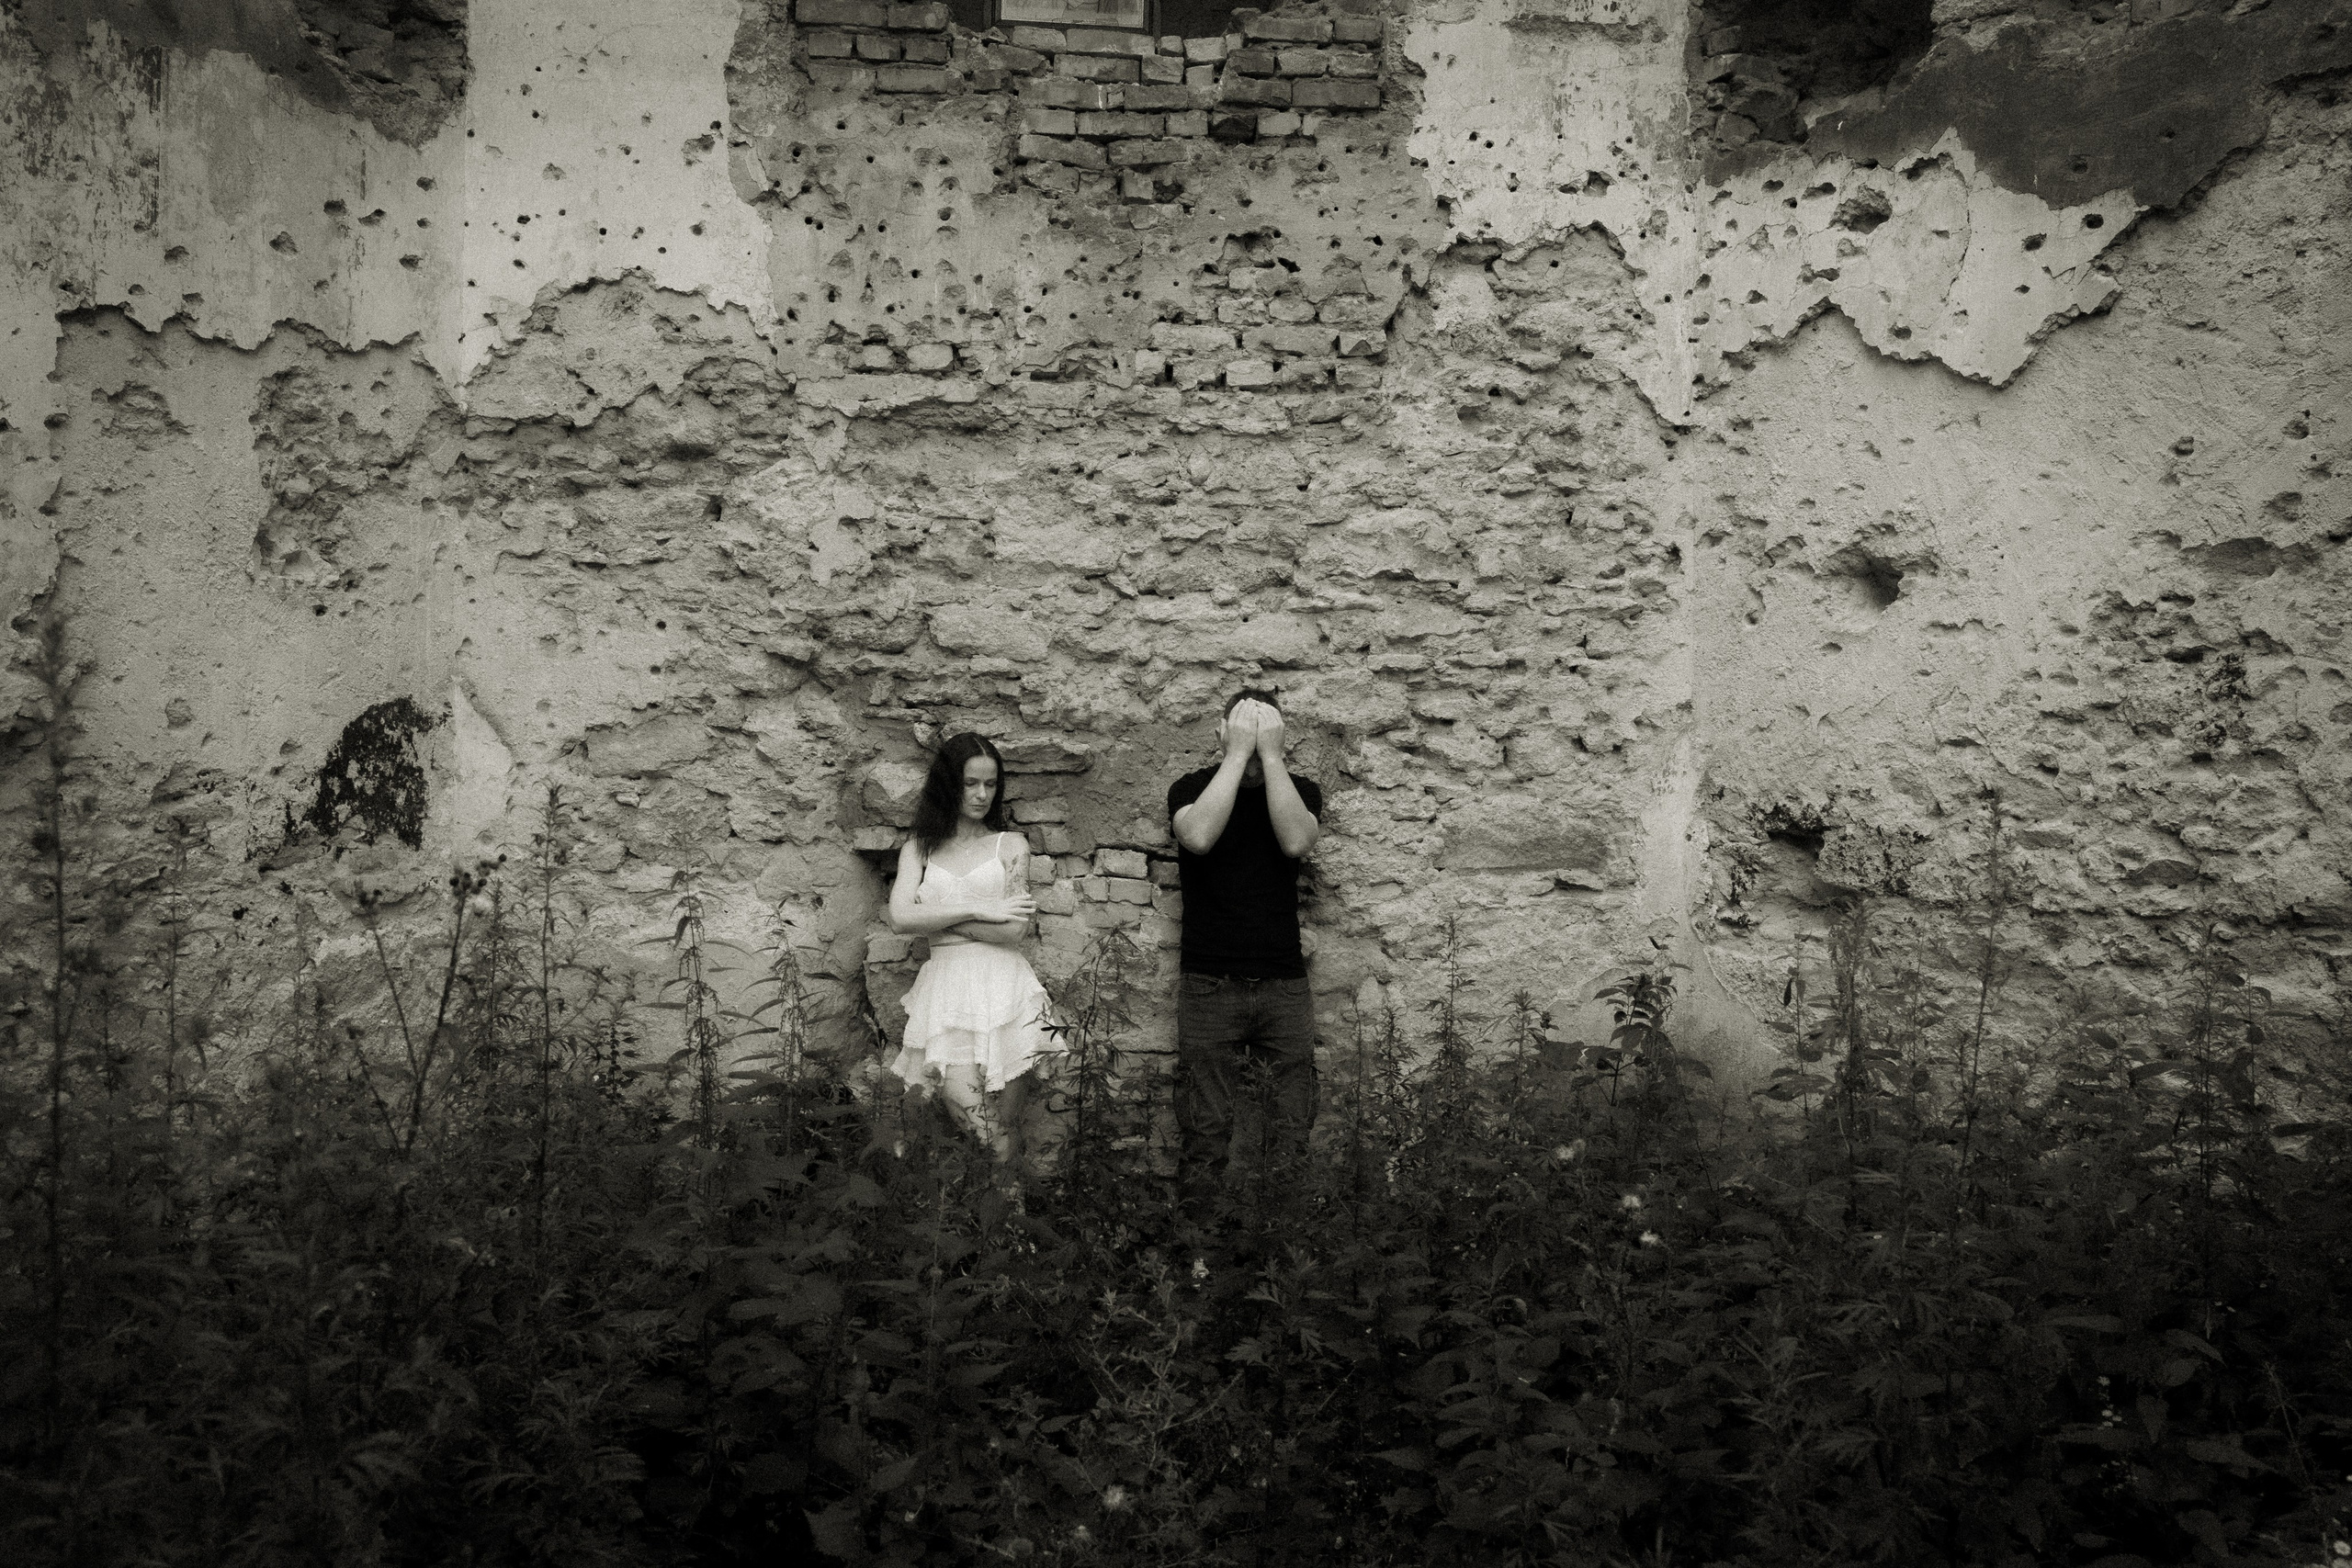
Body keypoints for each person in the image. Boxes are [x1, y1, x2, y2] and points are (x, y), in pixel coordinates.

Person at [1166, 690, 1323, 1213]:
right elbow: (1198, 836)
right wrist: (1235, 754)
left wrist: (1272, 758)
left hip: (1284, 985)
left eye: (1263, 740)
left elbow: (1297, 841)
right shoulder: (1191, 789)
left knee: (1291, 1129)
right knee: (1205, 1131)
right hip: (1209, 985)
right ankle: (1199, 1246)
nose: (1253, 752)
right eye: (1242, 739)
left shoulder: (1300, 791)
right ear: (1223, 736)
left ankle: (1282, 1243)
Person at [886, 733, 1056, 1170]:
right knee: (983, 1129)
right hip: (946, 994)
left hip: (1006, 989)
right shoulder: (919, 849)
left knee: (1005, 1128)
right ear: (948, 784)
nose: (982, 795)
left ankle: (1008, 1208)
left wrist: (934, 917)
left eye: (991, 784)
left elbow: (1014, 929)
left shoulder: (1010, 845)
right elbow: (900, 918)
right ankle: (1000, 1207)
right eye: (970, 783)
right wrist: (978, 908)